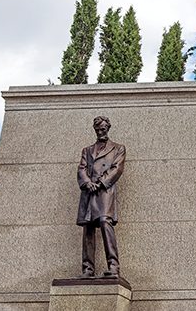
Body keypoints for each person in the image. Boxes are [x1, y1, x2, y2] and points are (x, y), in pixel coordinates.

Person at [76, 115, 126, 277]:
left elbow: (117, 169)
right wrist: (86, 182)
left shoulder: (118, 148)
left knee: (105, 222)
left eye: (103, 129)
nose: (100, 132)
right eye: (98, 129)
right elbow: (81, 169)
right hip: (89, 193)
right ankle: (88, 268)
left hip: (104, 192)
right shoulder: (87, 150)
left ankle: (113, 266)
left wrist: (101, 182)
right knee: (88, 228)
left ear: (108, 128)